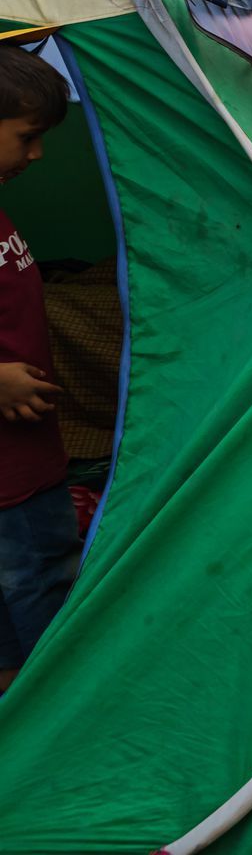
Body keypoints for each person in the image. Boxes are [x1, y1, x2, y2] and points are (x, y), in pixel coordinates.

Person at [0, 45, 81, 694]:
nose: (38, 155)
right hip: (9, 474)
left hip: (30, 455)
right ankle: (58, 703)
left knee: (20, 575)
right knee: (40, 574)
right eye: (28, 138)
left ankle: (15, 692)